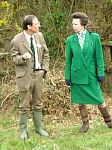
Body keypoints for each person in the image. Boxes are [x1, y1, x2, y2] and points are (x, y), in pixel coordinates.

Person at [65, 12, 112, 133]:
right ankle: (85, 124)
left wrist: (100, 73)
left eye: (75, 24)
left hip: (91, 75)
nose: (73, 26)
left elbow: (99, 57)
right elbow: (68, 60)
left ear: (83, 24)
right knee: (80, 101)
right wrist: (67, 77)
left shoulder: (94, 37)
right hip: (77, 76)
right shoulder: (70, 40)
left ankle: (109, 122)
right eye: (72, 24)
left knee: (100, 100)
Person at [11, 15, 49, 139]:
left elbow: (46, 54)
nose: (39, 25)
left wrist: (44, 70)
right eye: (37, 23)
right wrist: (22, 58)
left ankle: (38, 128)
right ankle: (23, 130)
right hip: (25, 77)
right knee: (24, 105)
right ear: (29, 26)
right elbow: (14, 58)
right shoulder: (17, 40)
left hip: (38, 75)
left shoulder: (39, 36)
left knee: (38, 103)